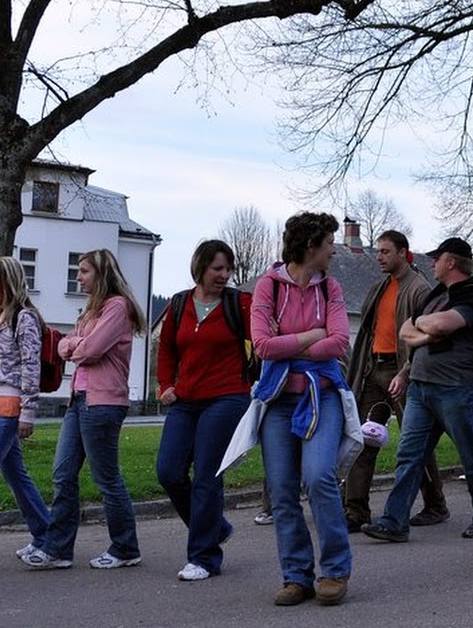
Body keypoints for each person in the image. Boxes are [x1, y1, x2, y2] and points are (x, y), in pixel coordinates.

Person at [361, 237, 473, 542]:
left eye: (437, 259)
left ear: (450, 262)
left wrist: (425, 329)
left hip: (456, 390)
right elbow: (405, 331)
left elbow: (442, 326)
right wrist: (427, 333)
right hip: (421, 389)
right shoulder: (436, 295)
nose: (432, 263)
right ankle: (393, 521)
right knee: (409, 455)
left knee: (471, 454)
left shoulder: (472, 298)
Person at [252, 212, 356, 607]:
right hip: (278, 400)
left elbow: (339, 343)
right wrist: (314, 336)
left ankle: (334, 570)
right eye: (329, 243)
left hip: (321, 395)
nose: (333, 250)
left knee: (318, 477)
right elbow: (262, 345)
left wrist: (291, 343)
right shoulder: (268, 287)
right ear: (311, 246)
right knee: (281, 490)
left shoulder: (330, 288)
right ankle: (296, 576)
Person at [21, 249, 146, 570]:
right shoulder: (92, 311)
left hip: (103, 403)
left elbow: (88, 349)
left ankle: (125, 547)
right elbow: (65, 346)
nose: (78, 277)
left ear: (102, 274)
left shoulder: (117, 307)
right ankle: (58, 550)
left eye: (84, 271)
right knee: (63, 474)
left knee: (106, 478)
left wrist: (77, 344)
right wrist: (75, 344)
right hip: (78, 401)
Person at [155, 240, 251, 581]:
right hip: (185, 399)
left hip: (227, 398)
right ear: (200, 268)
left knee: (208, 476)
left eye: (227, 269)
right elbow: (166, 349)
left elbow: (260, 346)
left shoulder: (240, 303)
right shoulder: (180, 304)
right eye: (217, 269)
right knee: (168, 471)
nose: (224, 275)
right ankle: (215, 526)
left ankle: (204, 557)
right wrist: (165, 384)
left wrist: (256, 384)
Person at [345, 230, 448, 530]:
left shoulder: (419, 289)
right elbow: (369, 331)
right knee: (362, 439)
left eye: (386, 252)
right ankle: (355, 511)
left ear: (403, 253)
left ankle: (435, 504)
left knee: (414, 443)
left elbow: (426, 337)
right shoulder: (379, 287)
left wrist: (405, 372)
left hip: (404, 372)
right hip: (372, 371)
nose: (379, 257)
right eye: (378, 251)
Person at [0, 257, 50, 560]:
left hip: (10, 406)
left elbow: (31, 366)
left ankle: (46, 535)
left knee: (15, 473)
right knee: (16, 474)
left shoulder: (24, 317)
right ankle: (45, 533)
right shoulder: (2, 316)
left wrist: (28, 413)